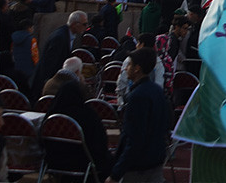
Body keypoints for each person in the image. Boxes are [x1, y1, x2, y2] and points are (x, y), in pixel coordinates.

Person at [107, 48, 170, 183]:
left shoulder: (137, 97)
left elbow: (134, 139)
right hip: (156, 158)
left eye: (129, 65)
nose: (126, 68)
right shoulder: (157, 91)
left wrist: (116, 173)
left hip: (139, 166)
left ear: (137, 69)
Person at [47, 78, 113, 181]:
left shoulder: (51, 116)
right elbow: (100, 143)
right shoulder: (88, 116)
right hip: (83, 163)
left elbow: (42, 141)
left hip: (54, 162)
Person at [32, 10, 89, 97]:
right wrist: (50, 84)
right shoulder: (60, 38)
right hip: (48, 84)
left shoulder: (66, 34)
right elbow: (50, 63)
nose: (86, 27)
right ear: (75, 24)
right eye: (84, 24)